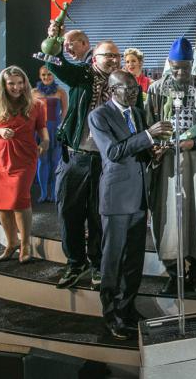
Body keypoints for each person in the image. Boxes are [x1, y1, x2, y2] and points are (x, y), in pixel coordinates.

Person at [88, 70, 171, 341]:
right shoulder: (99, 116)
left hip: (139, 196)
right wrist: (148, 135)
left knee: (134, 260)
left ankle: (127, 308)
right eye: (128, 89)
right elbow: (113, 152)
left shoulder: (136, 113)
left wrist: (153, 153)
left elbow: (137, 150)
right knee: (113, 260)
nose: (134, 93)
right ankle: (111, 315)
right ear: (113, 90)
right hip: (116, 198)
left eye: (136, 88)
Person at [45, 23, 125, 290]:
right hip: (75, 157)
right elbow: (55, 64)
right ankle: (75, 263)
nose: (113, 60)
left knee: (99, 215)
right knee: (69, 212)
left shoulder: (124, 83)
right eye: (108, 55)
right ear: (95, 58)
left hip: (106, 161)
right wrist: (54, 39)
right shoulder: (82, 75)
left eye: (117, 56)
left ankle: (98, 265)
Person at [146, 37, 196, 294]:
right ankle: (174, 272)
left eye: (186, 67)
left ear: (193, 64)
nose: (181, 72)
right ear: (169, 64)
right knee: (168, 215)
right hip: (167, 163)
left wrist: (194, 143)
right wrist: (155, 148)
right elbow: (147, 127)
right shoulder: (156, 90)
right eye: (176, 67)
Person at [0, 66, 48, 264]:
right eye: (11, 83)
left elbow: (42, 127)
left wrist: (45, 141)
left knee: (20, 199)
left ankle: (25, 245)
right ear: (3, 85)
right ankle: (11, 244)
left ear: (25, 83)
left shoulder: (36, 105)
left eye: (20, 83)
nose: (17, 87)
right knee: (1, 203)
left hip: (24, 156)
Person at [32, 65, 67, 203]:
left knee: (55, 161)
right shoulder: (33, 92)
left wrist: (61, 128)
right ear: (40, 76)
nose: (46, 77)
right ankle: (43, 193)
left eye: (49, 74)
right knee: (42, 161)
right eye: (43, 75)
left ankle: (54, 192)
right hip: (40, 130)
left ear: (54, 75)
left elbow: (65, 112)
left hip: (55, 129)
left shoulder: (61, 92)